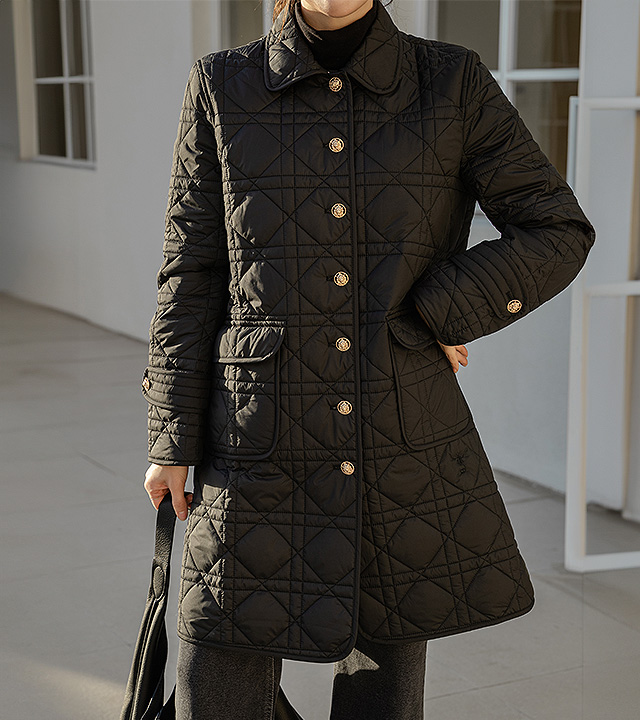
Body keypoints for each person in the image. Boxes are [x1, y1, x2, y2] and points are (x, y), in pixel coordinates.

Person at [140, 1, 596, 718]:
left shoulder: (450, 80)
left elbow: (556, 228)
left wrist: (440, 307)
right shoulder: (222, 84)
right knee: (217, 677)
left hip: (395, 434)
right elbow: (191, 274)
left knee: (382, 692)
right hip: (254, 441)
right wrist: (171, 437)